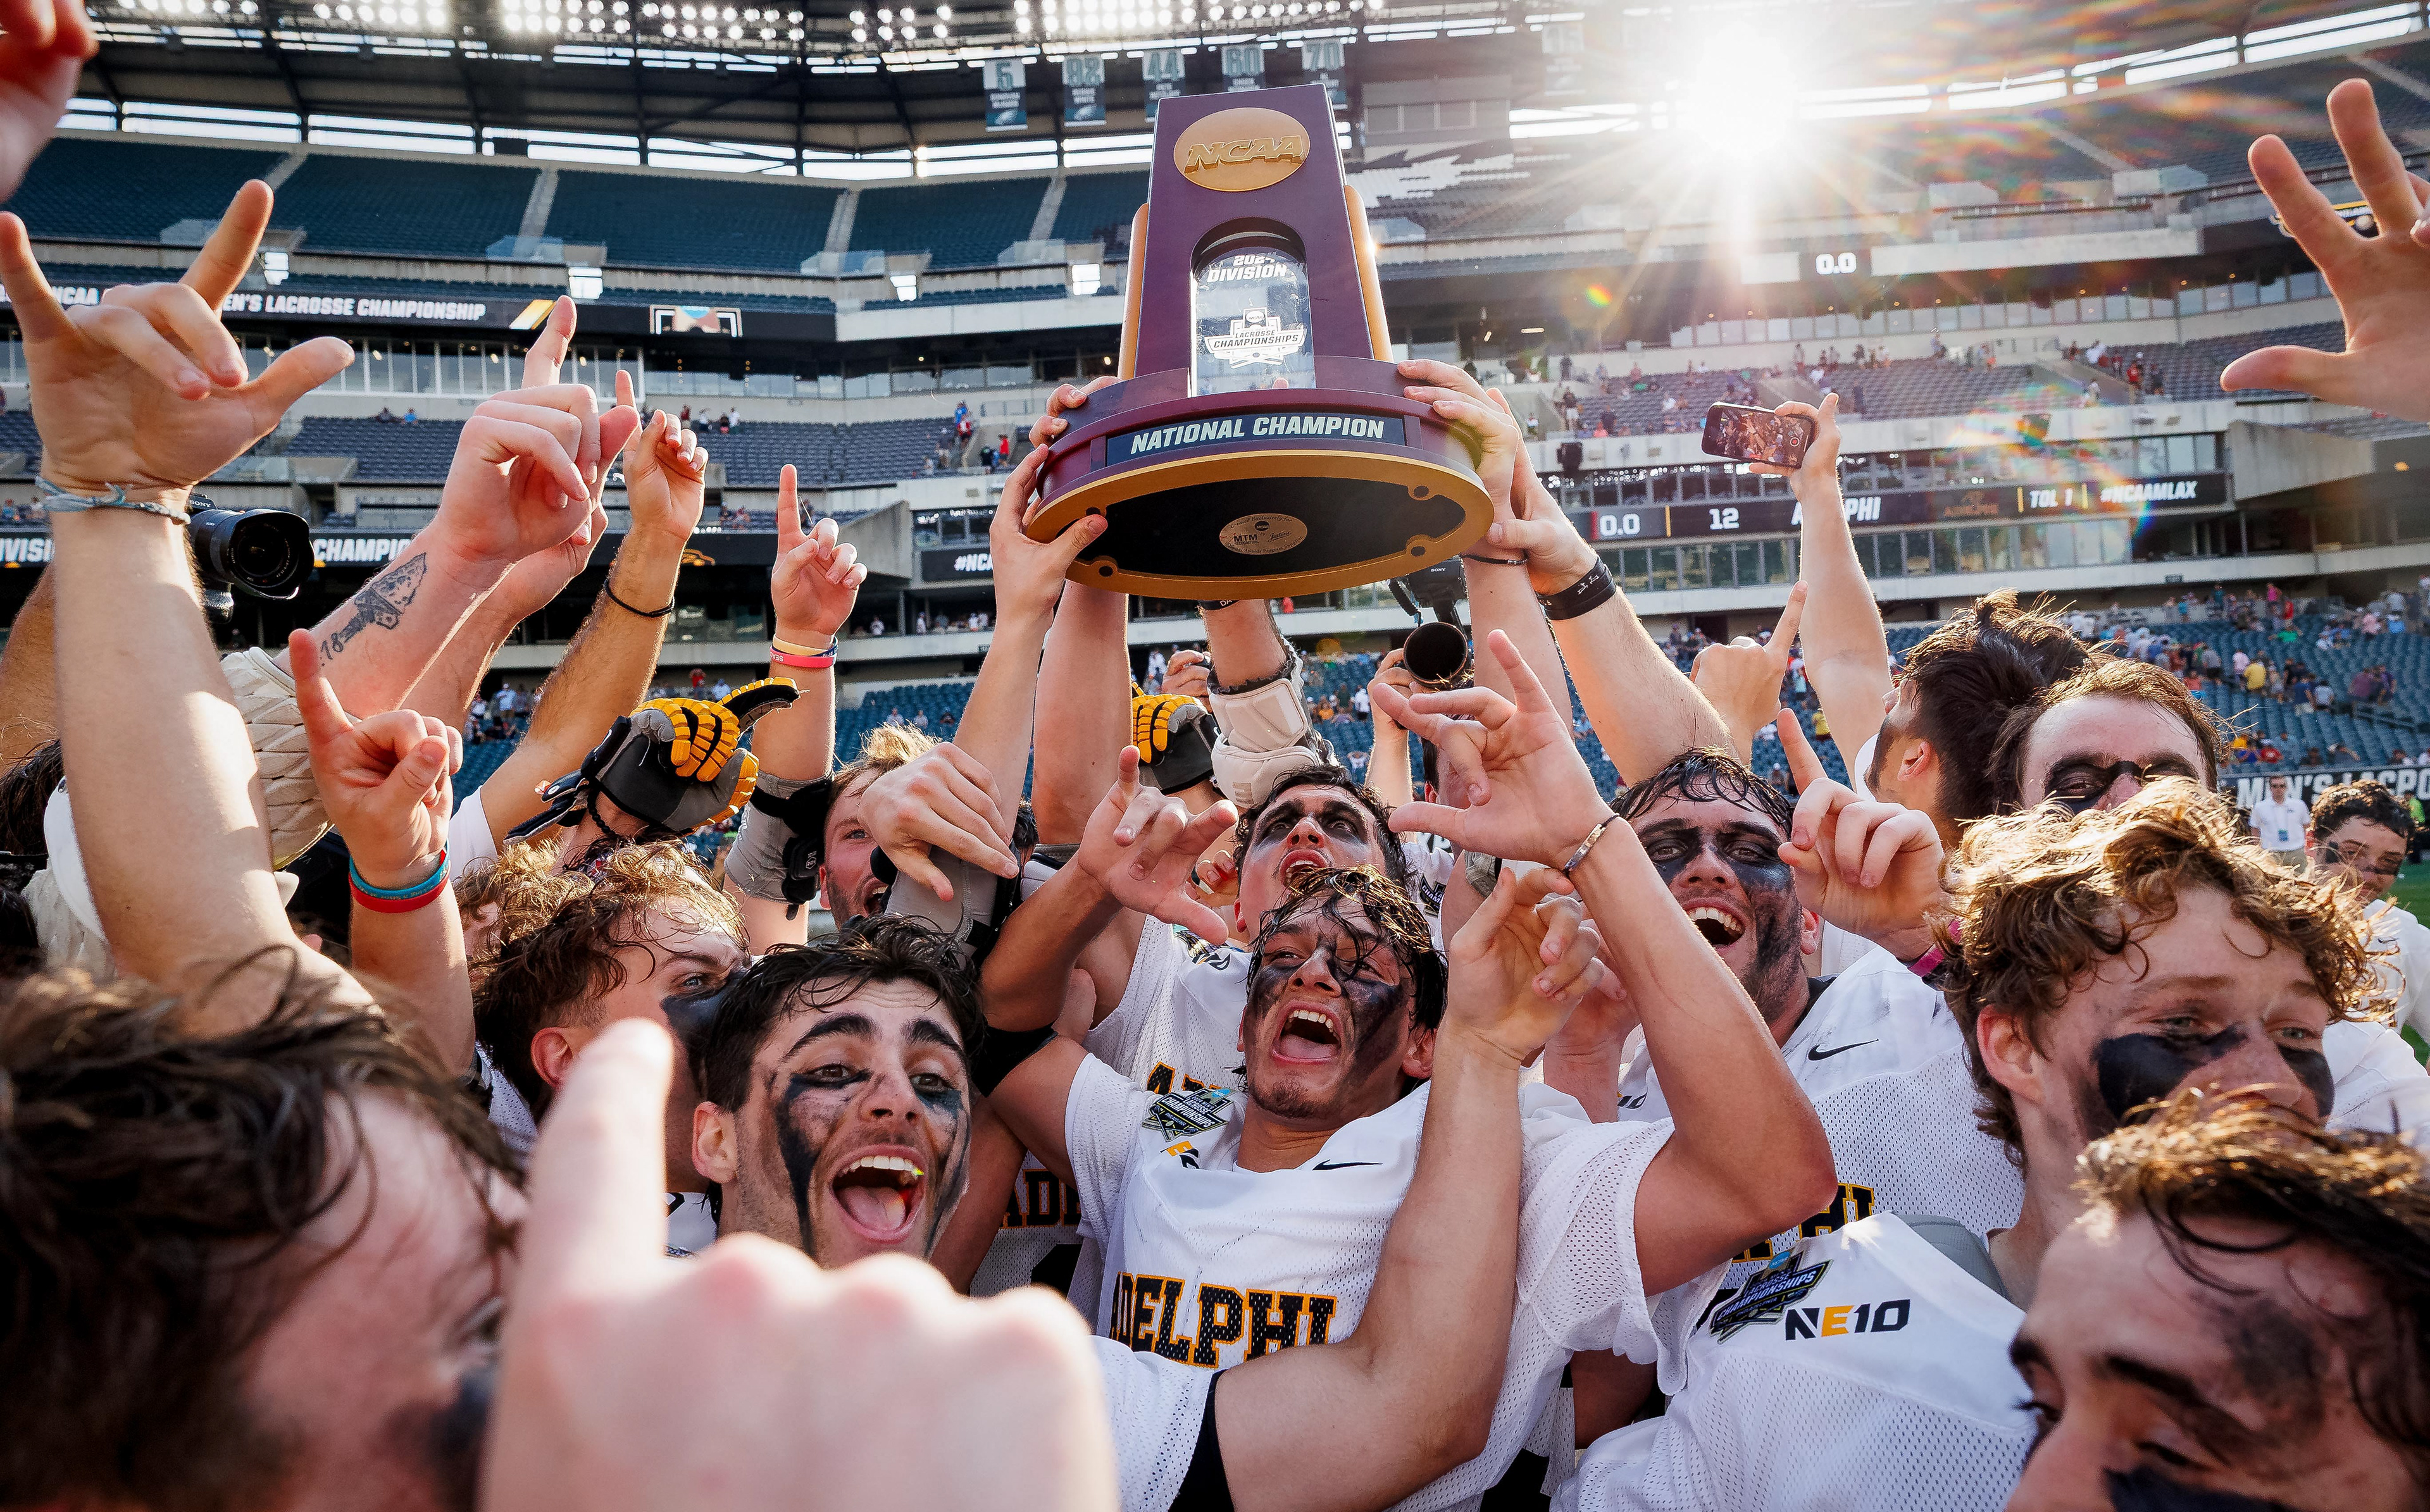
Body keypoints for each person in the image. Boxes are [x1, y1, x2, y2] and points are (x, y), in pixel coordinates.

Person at [992, 636, 1835, 1508]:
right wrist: (1087, 882)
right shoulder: (1163, 1133)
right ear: (1241, 1021)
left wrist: (1592, 841)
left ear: (1423, 1041)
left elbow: (1765, 1177)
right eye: (1281, 957)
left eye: (1360, 962)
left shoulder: (1490, 1155)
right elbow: (1002, 1037)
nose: (1314, 974)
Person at [2306, 778, 2430, 1038]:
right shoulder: (2254, 926)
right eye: (2352, 853)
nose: (2368, 875)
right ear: (2312, 842)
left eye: (2389, 862)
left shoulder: (2405, 934)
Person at [2251, 772, 2310, 869]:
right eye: (2275, 786)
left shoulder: (2299, 805)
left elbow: (2307, 826)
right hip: (2271, 852)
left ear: (2286, 788)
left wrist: (2307, 847)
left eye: (2282, 786)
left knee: (2302, 877)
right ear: (2270, 788)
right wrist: (2258, 849)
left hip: (2296, 850)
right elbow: (2255, 829)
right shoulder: (2260, 807)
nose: (2279, 789)